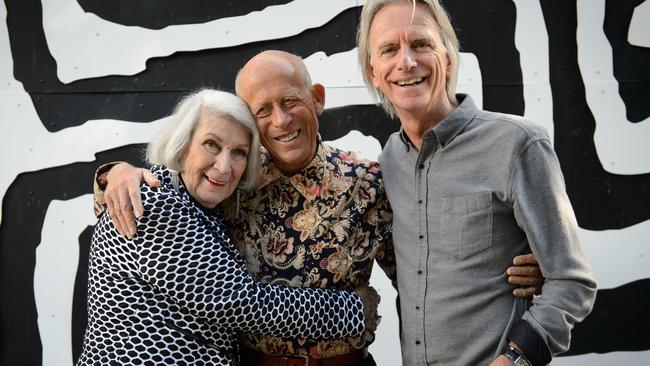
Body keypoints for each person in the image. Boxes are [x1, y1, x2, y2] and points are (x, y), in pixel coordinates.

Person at [95, 52, 544, 366]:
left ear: (317, 99)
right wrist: (112, 175)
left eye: (291, 101)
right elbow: (232, 292)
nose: (282, 120)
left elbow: (428, 273)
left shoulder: (369, 184)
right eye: (263, 111)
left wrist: (510, 268)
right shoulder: (234, 182)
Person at [357, 0, 598, 365]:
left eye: (421, 44)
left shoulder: (517, 144)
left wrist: (514, 359)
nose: (406, 61)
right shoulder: (388, 163)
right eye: (389, 49)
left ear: (449, 58)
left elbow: (572, 283)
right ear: (373, 72)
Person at [77, 89, 381, 366]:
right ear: (182, 145)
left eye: (238, 152)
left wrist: (111, 173)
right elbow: (238, 301)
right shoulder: (155, 202)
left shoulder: (201, 205)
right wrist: (351, 311)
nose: (224, 166)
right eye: (212, 144)